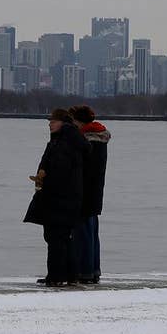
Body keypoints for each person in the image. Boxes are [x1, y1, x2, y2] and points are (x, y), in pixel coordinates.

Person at [24, 108, 89, 287]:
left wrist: (45, 178)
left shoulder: (65, 142)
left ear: (63, 123)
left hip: (60, 198)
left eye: (53, 121)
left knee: (56, 238)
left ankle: (57, 276)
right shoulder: (61, 140)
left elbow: (60, 171)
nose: (49, 123)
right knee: (61, 237)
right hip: (63, 198)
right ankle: (69, 275)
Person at [69, 105, 111, 284]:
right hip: (95, 192)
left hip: (84, 191)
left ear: (78, 121)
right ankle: (93, 269)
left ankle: (84, 271)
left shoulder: (87, 140)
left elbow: (82, 168)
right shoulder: (99, 138)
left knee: (83, 233)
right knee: (92, 232)